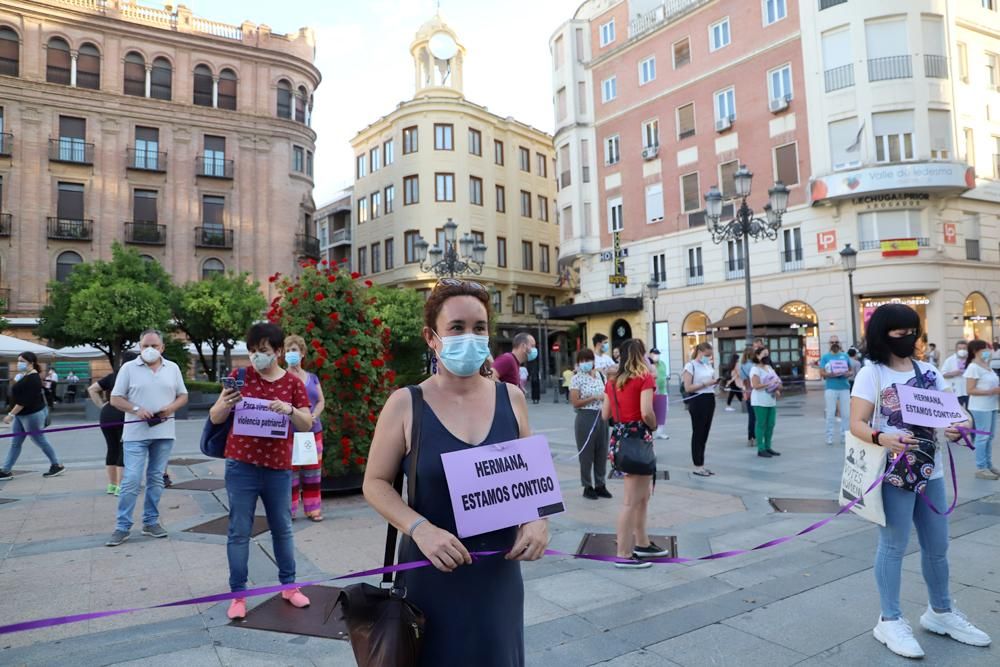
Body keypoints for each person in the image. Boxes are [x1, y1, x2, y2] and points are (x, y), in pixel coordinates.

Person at [364, 279, 546, 665]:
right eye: (457, 328)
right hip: (430, 576)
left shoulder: (511, 397)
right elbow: (375, 483)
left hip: (499, 576)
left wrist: (536, 520)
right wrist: (419, 528)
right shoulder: (405, 404)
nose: (470, 336)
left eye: (479, 327)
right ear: (432, 338)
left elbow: (528, 480)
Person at [849, 304, 991, 659]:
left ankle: (941, 612)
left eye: (912, 330)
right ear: (883, 335)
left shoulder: (927, 371)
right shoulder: (872, 374)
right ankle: (889, 620)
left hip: (934, 471)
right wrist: (883, 437)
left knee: (938, 546)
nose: (908, 337)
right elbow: (856, 424)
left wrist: (959, 428)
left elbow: (952, 416)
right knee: (894, 545)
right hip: (894, 472)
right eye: (899, 332)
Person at [210, 322, 315, 620]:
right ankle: (238, 595)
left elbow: (306, 423)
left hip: (278, 468)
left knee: (282, 528)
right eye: (253, 351)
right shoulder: (238, 376)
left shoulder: (293, 384)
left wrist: (290, 410)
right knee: (239, 529)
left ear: (279, 351)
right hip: (241, 465)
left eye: (264, 351)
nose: (257, 357)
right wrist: (225, 403)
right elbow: (215, 417)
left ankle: (290, 586)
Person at [105, 330, 188, 547]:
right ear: (139, 347)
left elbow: (183, 395)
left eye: (154, 345)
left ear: (162, 347)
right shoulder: (129, 368)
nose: (149, 350)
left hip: (164, 432)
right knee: (131, 478)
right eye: (145, 346)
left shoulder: (172, 368)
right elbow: (115, 398)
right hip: (135, 434)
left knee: (156, 478)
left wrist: (170, 408)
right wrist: (136, 409)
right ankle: (122, 526)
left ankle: (150, 522)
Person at [601, 338, 668, 569]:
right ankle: (624, 553)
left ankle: (642, 542)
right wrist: (653, 424)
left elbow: (604, 415)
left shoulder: (612, 382)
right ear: (641, 355)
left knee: (642, 497)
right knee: (631, 500)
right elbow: (647, 412)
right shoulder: (644, 378)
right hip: (639, 439)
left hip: (620, 441)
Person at [0, 352, 64, 480]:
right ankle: (6, 470)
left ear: (31, 362)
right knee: (16, 443)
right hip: (22, 415)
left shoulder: (33, 378)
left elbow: (24, 401)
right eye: (18, 360)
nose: (19, 363)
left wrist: (11, 414)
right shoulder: (26, 376)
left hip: (31, 415)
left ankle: (56, 464)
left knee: (39, 440)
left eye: (22, 361)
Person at [284, 335, 327, 520]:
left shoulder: (312, 378)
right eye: (287, 351)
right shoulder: (282, 378)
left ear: (302, 353)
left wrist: (314, 415)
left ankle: (313, 508)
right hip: (289, 432)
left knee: (312, 471)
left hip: (312, 431)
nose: (290, 354)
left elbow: (321, 401)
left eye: (293, 350)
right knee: (290, 473)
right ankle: (290, 510)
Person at [87, 350, 139, 495]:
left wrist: (102, 405)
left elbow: (92, 389)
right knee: (124, 448)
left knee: (112, 448)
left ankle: (112, 484)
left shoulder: (113, 376)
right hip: (124, 415)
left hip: (107, 414)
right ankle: (122, 486)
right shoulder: (134, 377)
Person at [569, 349, 610, 500]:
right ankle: (587, 485)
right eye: (582, 361)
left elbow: (607, 393)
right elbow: (575, 402)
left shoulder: (600, 375)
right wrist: (594, 397)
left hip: (602, 416)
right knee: (586, 453)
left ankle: (601, 484)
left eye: (588, 360)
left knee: (601, 451)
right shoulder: (576, 379)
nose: (586, 363)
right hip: (585, 416)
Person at [964, 339, 1000, 480]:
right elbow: (970, 389)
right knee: (982, 437)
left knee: (989, 437)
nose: (988, 351)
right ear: (975, 351)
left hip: (991, 406)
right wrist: (991, 391)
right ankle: (981, 467)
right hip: (980, 407)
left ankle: (988, 464)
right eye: (985, 349)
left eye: (988, 348)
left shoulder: (987, 366)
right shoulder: (973, 367)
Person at [683, 342, 719, 476]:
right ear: (699, 352)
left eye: (710, 356)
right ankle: (697, 465)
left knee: (705, 432)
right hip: (698, 400)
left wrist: (714, 383)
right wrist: (705, 384)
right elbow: (688, 388)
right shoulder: (690, 365)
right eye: (706, 355)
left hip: (709, 398)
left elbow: (710, 380)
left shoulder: (707, 365)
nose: (708, 358)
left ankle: (702, 464)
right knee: (698, 432)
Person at [750, 346, 782, 458]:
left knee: (771, 424)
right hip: (760, 401)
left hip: (771, 400)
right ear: (758, 356)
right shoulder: (755, 369)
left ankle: (768, 447)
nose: (766, 357)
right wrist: (769, 384)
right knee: (761, 424)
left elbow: (777, 380)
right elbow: (755, 386)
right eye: (764, 354)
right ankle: (761, 448)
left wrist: (777, 387)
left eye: (767, 354)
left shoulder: (769, 368)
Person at [820, 337, 852, 446]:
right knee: (830, 413)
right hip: (831, 388)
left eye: (836, 342)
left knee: (846, 414)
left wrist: (847, 373)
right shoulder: (825, 357)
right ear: (829, 344)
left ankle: (845, 436)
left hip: (844, 388)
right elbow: (822, 372)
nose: (834, 343)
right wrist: (830, 374)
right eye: (832, 342)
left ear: (840, 343)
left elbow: (851, 371)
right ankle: (829, 436)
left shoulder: (845, 356)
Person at [740, 339, 765, 447]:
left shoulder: (742, 365)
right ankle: (757, 437)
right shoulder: (754, 366)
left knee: (751, 417)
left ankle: (750, 438)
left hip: (747, 391)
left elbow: (743, 380)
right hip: (756, 391)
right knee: (758, 416)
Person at [941, 340, 969, 409]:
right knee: (958, 412)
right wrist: (953, 373)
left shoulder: (971, 360)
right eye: (960, 348)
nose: (962, 350)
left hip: (968, 391)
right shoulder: (949, 360)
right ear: (956, 350)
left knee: (970, 413)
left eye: (964, 348)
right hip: (956, 392)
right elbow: (943, 374)